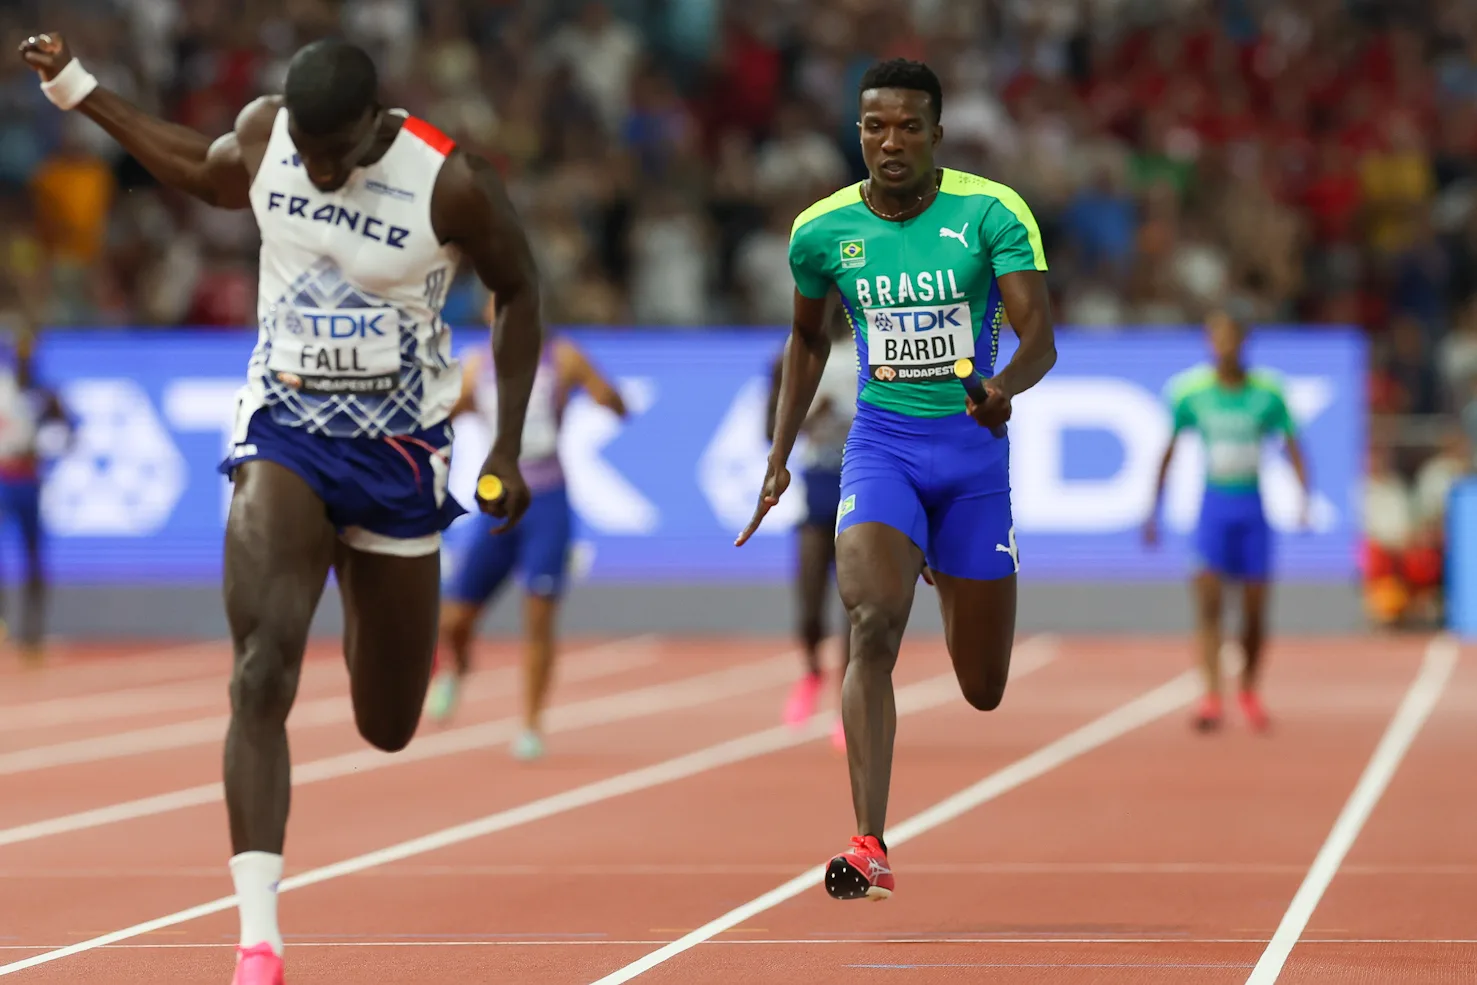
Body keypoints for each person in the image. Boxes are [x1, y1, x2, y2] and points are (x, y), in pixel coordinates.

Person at [19, 32, 543, 985]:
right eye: (303, 147)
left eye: (331, 152)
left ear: (373, 127)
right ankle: (258, 941)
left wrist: (504, 445)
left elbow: (520, 290)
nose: (314, 166)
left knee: (389, 723)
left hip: (398, 455)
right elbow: (198, 166)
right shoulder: (271, 136)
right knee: (259, 672)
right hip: (284, 427)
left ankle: (353, 574)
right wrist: (78, 88)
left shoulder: (448, 180)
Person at [736, 59, 1058, 902]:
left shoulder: (989, 212)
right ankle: (868, 840)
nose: (891, 141)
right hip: (880, 443)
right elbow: (806, 341)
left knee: (982, 688)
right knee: (870, 619)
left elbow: (1040, 340)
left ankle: (944, 561)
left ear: (937, 133)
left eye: (909, 126)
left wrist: (1001, 389)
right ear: (858, 131)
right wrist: (777, 453)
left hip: (970, 454)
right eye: (875, 125)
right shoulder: (821, 231)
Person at [425, 293, 627, 760]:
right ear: (489, 315)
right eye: (498, 307)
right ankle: (458, 664)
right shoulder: (478, 366)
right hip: (498, 501)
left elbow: (612, 399)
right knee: (454, 617)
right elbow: (441, 418)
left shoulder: (563, 356)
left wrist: (607, 399)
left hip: (547, 501)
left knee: (538, 618)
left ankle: (532, 723)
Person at [1144, 310, 1311, 733]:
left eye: (1231, 337)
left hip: (1252, 508)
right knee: (1209, 605)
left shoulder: (1267, 393)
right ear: (1208, 341)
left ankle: (1250, 689)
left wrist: (1304, 497)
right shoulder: (1191, 392)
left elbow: (1292, 446)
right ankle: (1212, 697)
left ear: (1243, 341)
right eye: (1216, 337)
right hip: (1212, 507)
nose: (1224, 345)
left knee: (1254, 610)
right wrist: (1153, 509)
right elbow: (1168, 451)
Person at [765, 313, 855, 749]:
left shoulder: (875, 342)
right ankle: (812, 669)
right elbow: (770, 428)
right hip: (818, 484)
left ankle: (847, 700)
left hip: (866, 477)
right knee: (810, 604)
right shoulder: (794, 352)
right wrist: (812, 412)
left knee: (858, 603)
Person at [0, 330, 70, 663]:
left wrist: (49, 446)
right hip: (3, 478)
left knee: (33, 556)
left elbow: (69, 431)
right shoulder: (4, 390)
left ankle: (33, 631)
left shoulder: (45, 394)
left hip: (28, 480)